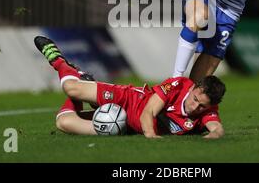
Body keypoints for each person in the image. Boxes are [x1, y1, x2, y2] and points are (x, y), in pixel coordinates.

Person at [34, 36, 226, 139]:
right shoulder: (179, 85)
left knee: (63, 123)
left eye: (202, 107)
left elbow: (216, 127)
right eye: (195, 100)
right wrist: (150, 135)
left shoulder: (207, 111)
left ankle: (83, 79)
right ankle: (59, 61)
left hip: (124, 126)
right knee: (71, 88)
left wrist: (215, 134)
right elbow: (148, 112)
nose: (195, 107)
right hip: (128, 100)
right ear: (195, 88)